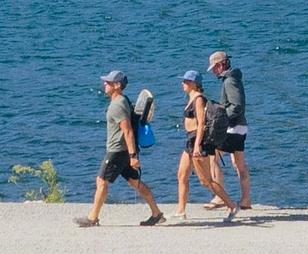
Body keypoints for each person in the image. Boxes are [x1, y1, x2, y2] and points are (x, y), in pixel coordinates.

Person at [80, 68, 166, 227]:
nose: (104, 84)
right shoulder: (123, 100)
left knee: (101, 181)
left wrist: (133, 156)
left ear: (117, 85)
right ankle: (156, 213)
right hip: (124, 150)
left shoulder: (117, 105)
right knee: (135, 182)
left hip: (117, 151)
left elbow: (127, 131)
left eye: (108, 82)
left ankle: (93, 218)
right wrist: (132, 154)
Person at [171, 72, 231, 221]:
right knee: (182, 175)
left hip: (197, 141)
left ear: (194, 83)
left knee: (206, 181)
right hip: (189, 140)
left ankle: (231, 205)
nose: (182, 83)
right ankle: (181, 210)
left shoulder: (198, 99)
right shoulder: (191, 98)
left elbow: (201, 124)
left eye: (185, 81)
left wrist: (197, 145)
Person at [206, 49, 255, 214]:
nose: (213, 71)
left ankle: (219, 196)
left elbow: (236, 106)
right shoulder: (234, 79)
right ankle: (246, 199)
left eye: (214, 67)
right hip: (240, 127)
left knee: (213, 156)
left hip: (232, 127)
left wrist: (220, 116)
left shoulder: (229, 82)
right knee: (239, 164)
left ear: (221, 65)